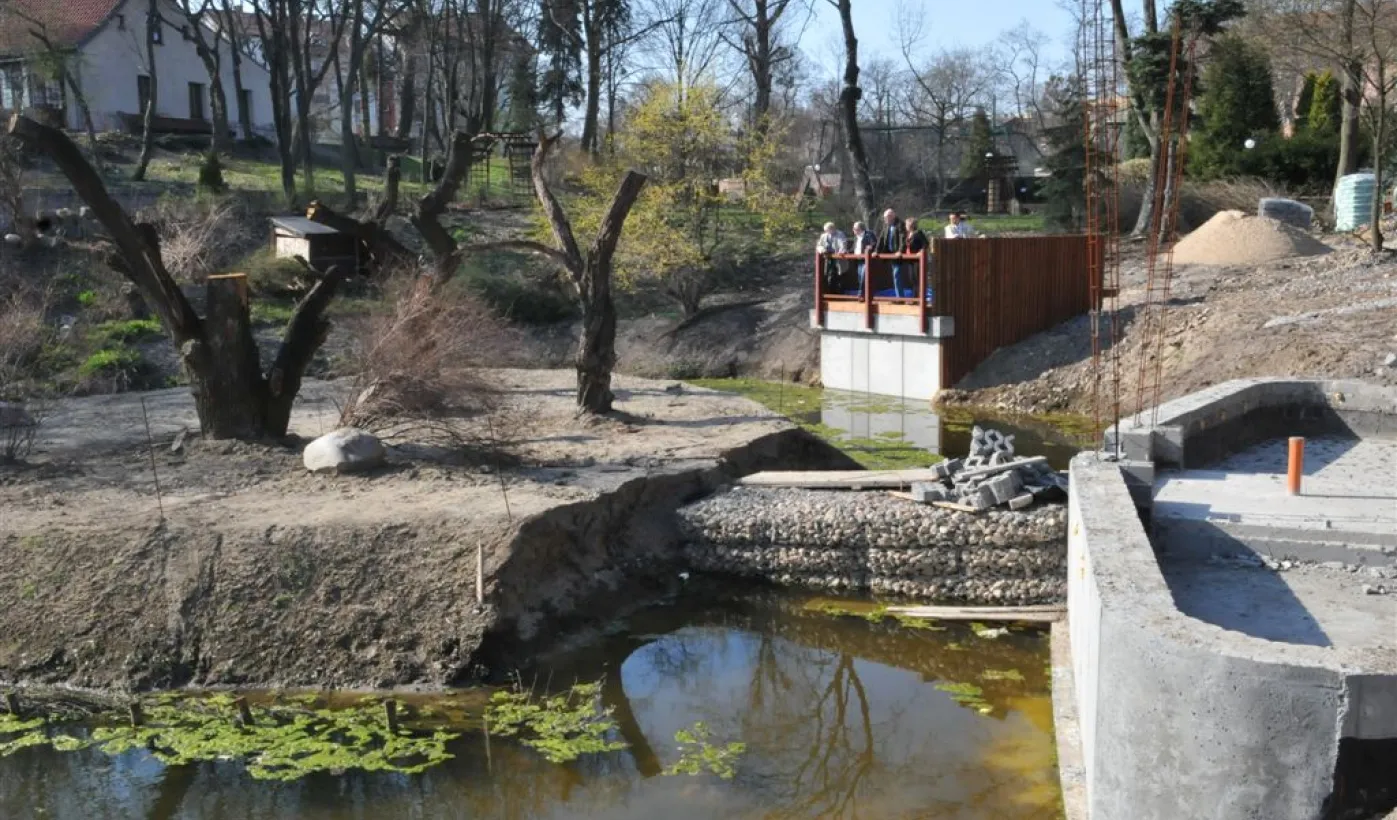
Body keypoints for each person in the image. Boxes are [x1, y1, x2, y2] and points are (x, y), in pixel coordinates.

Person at [878, 209, 909, 296]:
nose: (885, 219)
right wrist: (876, 251)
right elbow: (881, 239)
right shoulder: (886, 226)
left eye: (886, 217)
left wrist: (900, 251)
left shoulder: (900, 224)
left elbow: (903, 238)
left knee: (897, 274)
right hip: (890, 254)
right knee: (896, 275)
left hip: (898, 255)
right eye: (884, 217)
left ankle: (900, 297)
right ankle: (899, 296)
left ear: (892, 216)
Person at [816, 222, 846, 292]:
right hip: (828, 258)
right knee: (828, 274)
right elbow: (819, 245)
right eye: (825, 231)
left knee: (839, 274)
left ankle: (839, 292)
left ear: (832, 229)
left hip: (838, 257)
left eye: (827, 230)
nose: (826, 232)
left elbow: (843, 244)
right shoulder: (823, 236)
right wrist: (822, 249)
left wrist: (841, 251)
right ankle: (830, 291)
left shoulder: (840, 234)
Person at [848, 221, 875, 291]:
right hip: (858, 260)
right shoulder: (856, 237)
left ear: (860, 229)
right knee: (860, 277)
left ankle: (860, 294)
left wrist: (870, 247)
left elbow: (874, 243)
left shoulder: (868, 234)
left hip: (866, 260)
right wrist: (846, 252)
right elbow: (853, 248)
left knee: (863, 277)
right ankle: (863, 293)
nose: (853, 230)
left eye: (855, 229)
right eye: (853, 228)